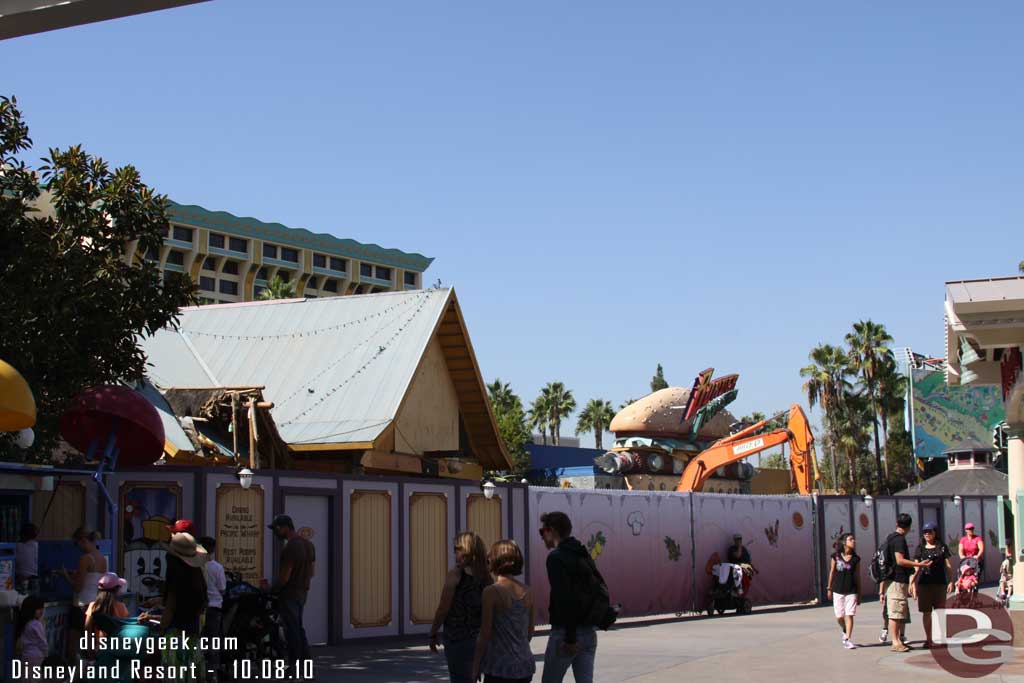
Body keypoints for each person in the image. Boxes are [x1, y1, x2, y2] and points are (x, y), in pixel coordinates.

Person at [539, 511, 597, 683]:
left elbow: (565, 598)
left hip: (566, 633)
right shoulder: (582, 552)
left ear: (551, 531)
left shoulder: (556, 558)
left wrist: (570, 638)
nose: (542, 537)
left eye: (542, 532)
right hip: (588, 632)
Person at [430, 532, 492, 683]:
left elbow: (443, 608)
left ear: (467, 551)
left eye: (457, 549)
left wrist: (432, 632)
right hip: (480, 639)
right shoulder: (486, 577)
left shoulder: (456, 575)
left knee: (460, 678)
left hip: (457, 639)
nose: (454, 553)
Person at [472, 540, 535, 683]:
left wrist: (476, 665)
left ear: (494, 561)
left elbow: (485, 633)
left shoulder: (491, 591)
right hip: (525, 665)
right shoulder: (528, 591)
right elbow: (529, 632)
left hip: (499, 667)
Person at [265, 514, 316, 664]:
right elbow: (312, 572)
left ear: (286, 527)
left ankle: (295, 670)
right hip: (302, 592)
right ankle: (306, 668)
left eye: (277, 528)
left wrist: (271, 589)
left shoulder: (290, 547)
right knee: (299, 629)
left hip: (289, 594)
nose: (275, 532)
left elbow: (284, 577)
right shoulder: (309, 545)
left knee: (292, 632)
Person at [881, 513, 932, 653]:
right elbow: (899, 560)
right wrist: (920, 565)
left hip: (893, 579)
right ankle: (895, 641)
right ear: (909, 527)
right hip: (897, 580)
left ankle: (898, 639)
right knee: (896, 612)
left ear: (897, 523)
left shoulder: (890, 537)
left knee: (898, 611)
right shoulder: (899, 540)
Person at [159, 532, 208, 673]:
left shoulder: (176, 579)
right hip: (192, 637)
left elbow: (170, 609)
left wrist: (161, 629)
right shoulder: (197, 578)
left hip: (175, 637)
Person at [62, 528, 108, 662]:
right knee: (92, 645)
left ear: (83, 541)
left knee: (74, 646)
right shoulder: (102, 558)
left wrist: (65, 576)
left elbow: (78, 587)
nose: (78, 548)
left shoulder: (85, 559)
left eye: (77, 544)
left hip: (81, 606)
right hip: (96, 605)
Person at [912, 522, 954, 648]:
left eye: (930, 532)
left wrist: (951, 581)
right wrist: (912, 583)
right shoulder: (920, 548)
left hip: (939, 583)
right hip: (924, 584)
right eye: (925, 532)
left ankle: (941, 638)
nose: (927, 534)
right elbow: (916, 567)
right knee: (926, 612)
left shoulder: (942, 547)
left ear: (935, 533)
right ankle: (929, 639)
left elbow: (948, 566)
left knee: (940, 612)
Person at [199, 536, 227, 683]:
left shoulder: (196, 566)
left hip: (200, 609)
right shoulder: (217, 567)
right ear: (213, 550)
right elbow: (222, 589)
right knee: (213, 641)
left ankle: (199, 670)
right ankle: (213, 673)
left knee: (199, 639)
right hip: (215, 607)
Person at [827, 533, 859, 649]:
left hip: (851, 590)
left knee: (849, 615)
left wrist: (859, 593)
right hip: (838, 590)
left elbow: (857, 576)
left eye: (853, 539)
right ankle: (844, 629)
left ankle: (847, 639)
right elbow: (832, 572)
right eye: (851, 539)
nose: (854, 541)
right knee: (839, 616)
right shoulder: (835, 556)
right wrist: (829, 588)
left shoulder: (856, 559)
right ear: (844, 542)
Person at [15, 595, 47, 669]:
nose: (42, 611)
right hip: (37, 657)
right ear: (31, 609)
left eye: (42, 608)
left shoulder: (24, 624)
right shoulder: (36, 624)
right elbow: (43, 641)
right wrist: (46, 654)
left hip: (25, 656)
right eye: (39, 608)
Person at [15, 523, 39, 594]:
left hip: (21, 579)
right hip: (34, 579)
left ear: (23, 535)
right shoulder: (36, 545)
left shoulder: (18, 546)